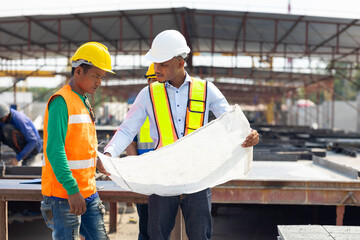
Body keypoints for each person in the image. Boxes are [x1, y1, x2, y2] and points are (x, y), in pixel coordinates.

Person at [104, 30, 259, 240]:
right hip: (162, 177)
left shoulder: (206, 90)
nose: (156, 69)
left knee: (199, 235)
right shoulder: (148, 94)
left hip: (197, 176)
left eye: (162, 64)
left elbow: (230, 121)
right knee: (156, 236)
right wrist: (108, 155)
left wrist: (249, 134)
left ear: (180, 63)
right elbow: (126, 130)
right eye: (155, 63)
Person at [40, 41, 113, 240]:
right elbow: (55, 150)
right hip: (65, 196)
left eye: (102, 77)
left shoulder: (83, 100)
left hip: (88, 191)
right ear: (79, 71)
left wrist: (97, 160)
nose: (99, 82)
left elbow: (80, 143)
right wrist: (72, 190)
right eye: (96, 76)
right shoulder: (61, 102)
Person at [125, 63, 157, 240]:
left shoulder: (174, 108)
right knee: (145, 222)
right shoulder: (139, 107)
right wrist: (136, 165)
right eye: (151, 80)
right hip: (143, 175)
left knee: (165, 224)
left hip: (166, 174)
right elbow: (129, 139)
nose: (154, 84)